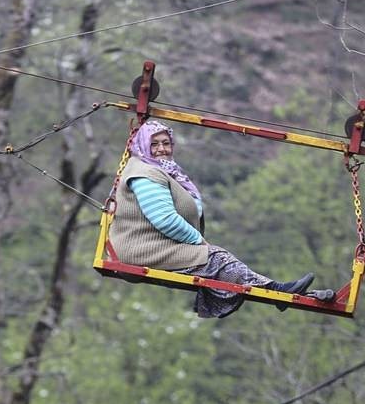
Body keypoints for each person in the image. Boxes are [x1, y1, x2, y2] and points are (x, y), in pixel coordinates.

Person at [109, 119, 320, 318]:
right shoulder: (146, 174)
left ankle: (277, 291)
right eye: (154, 144)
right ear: (143, 145)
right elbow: (164, 219)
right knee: (216, 258)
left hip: (153, 245)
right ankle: (276, 292)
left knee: (216, 259)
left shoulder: (161, 171)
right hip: (141, 250)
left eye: (166, 143)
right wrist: (198, 241)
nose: (162, 149)